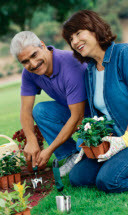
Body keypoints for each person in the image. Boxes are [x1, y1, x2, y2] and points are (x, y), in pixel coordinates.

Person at [62, 10, 128, 193]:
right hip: (112, 140)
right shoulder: (90, 72)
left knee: (109, 181)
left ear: (94, 29)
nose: (74, 42)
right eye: (70, 39)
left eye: (78, 33)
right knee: (78, 177)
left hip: (126, 139)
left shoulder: (124, 55)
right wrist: (88, 141)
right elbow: (96, 116)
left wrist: (124, 140)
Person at [10, 31, 88, 176]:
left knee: (85, 165)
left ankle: (81, 154)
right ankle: (71, 155)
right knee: (40, 110)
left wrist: (49, 150)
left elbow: (78, 117)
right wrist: (31, 139)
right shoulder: (29, 73)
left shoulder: (71, 65)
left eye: (34, 55)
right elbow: (25, 110)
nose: (32, 64)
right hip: (72, 112)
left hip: (95, 117)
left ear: (43, 46)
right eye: (25, 61)